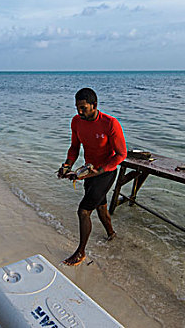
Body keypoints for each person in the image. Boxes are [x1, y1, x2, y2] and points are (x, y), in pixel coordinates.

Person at [58, 88, 127, 266]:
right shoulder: (76, 121)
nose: (80, 112)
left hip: (106, 172)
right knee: (101, 206)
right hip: (89, 171)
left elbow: (121, 154)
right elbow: (74, 147)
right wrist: (67, 165)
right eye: (77, 108)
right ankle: (112, 235)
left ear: (94, 105)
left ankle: (80, 252)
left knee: (84, 211)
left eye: (83, 108)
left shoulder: (110, 123)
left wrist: (101, 170)